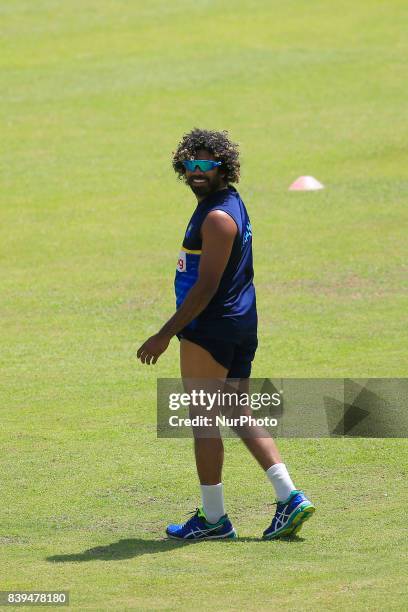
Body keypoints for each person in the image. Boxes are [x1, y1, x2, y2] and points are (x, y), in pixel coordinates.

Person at [137, 128, 315, 540]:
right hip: (237, 322)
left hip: (209, 328)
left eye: (207, 165)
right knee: (237, 411)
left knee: (204, 421)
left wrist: (165, 334)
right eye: (191, 164)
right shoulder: (226, 203)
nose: (197, 171)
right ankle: (290, 497)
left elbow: (205, 287)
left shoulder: (217, 217)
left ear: (223, 167)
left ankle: (214, 520)